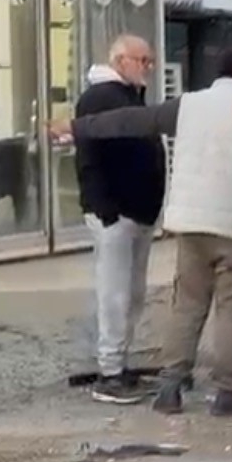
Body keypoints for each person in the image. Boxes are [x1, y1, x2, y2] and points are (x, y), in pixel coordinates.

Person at [54, 46, 232, 417]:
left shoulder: (188, 104)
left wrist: (74, 128)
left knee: (187, 305)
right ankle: (227, 390)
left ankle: (171, 386)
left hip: (189, 224)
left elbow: (131, 121)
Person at [75, 34, 167, 405]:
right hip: (116, 212)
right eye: (142, 60)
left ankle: (118, 363)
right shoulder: (101, 97)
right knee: (115, 294)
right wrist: (106, 209)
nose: (148, 68)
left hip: (136, 212)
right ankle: (110, 371)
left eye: (150, 61)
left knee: (132, 293)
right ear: (119, 60)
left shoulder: (128, 96)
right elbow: (92, 156)